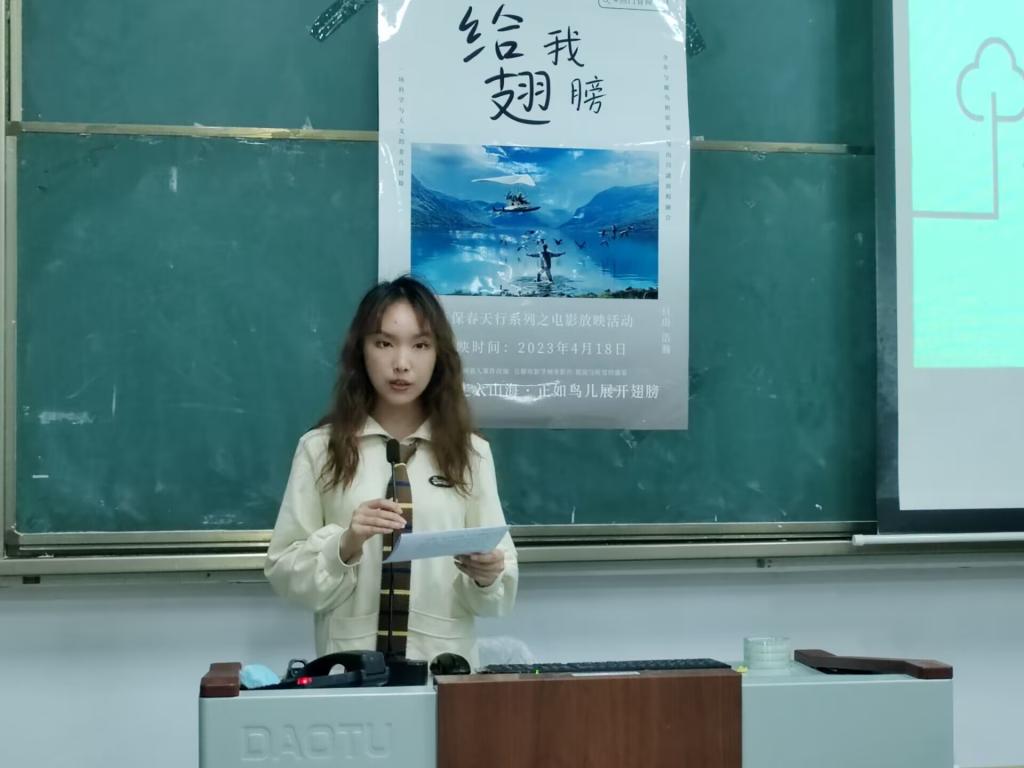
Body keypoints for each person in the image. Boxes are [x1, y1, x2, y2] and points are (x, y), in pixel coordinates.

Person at [265, 276, 518, 669]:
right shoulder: (321, 449)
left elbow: (499, 590)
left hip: (444, 672)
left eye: (420, 345)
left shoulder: (471, 454)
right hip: (348, 672)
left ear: (439, 355)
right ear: (361, 351)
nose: (402, 363)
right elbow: (285, 575)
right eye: (384, 344)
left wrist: (487, 575)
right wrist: (345, 544)